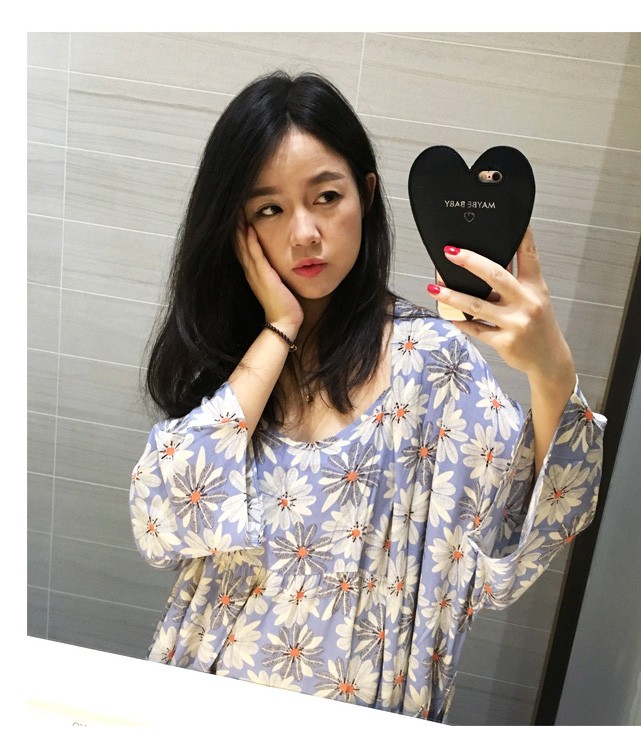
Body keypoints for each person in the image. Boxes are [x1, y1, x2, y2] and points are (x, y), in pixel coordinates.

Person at [129, 70, 606, 722]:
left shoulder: (431, 363)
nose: (303, 232)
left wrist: (551, 370)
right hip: (204, 709)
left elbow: (532, 526)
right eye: (269, 209)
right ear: (238, 228)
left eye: (325, 197)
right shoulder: (235, 360)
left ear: (368, 194)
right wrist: (279, 329)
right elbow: (160, 520)